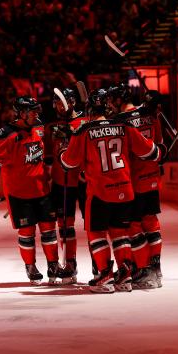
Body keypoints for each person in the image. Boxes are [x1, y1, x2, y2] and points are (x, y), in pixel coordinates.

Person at [60, 89, 163, 293]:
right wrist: (161, 152)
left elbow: (68, 163)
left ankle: (105, 276)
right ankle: (125, 277)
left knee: (96, 233)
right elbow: (150, 151)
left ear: (90, 109)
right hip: (125, 190)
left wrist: (64, 146)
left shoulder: (84, 131)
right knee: (120, 233)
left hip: (100, 191)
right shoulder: (123, 126)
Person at [0, 96, 72, 285]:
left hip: (42, 190)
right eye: (32, 111)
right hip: (19, 194)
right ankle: (30, 266)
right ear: (21, 113)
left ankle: (53, 265)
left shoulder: (39, 127)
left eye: (36, 110)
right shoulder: (7, 133)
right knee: (27, 232)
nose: (36, 114)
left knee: (49, 230)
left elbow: (47, 150)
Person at [106, 84, 166, 290]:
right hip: (152, 176)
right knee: (151, 221)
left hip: (133, 180)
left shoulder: (120, 121)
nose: (110, 104)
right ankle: (156, 268)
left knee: (133, 225)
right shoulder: (150, 114)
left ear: (120, 99)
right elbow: (160, 146)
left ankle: (143, 269)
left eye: (113, 100)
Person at [43, 88, 87, 282]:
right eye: (57, 103)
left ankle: (100, 266)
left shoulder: (86, 123)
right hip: (62, 183)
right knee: (65, 226)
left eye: (63, 102)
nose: (60, 107)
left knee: (96, 226)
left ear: (72, 102)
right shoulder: (51, 127)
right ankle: (71, 263)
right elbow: (45, 159)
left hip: (85, 182)